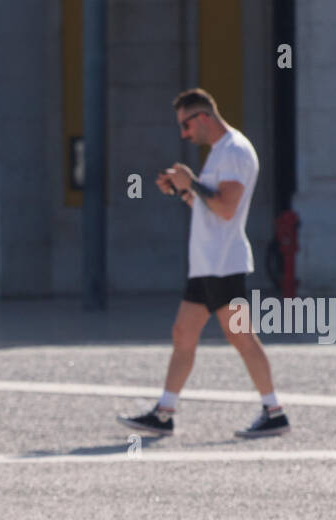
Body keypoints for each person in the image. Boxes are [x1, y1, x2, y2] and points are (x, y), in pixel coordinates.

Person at [117, 88, 290, 440]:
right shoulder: (219, 154)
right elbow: (210, 208)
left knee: (241, 337)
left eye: (185, 124)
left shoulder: (235, 151)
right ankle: (164, 413)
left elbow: (226, 208)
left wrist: (191, 182)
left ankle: (274, 412)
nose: (183, 133)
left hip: (224, 263)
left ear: (203, 117)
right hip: (208, 263)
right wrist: (183, 191)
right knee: (184, 334)